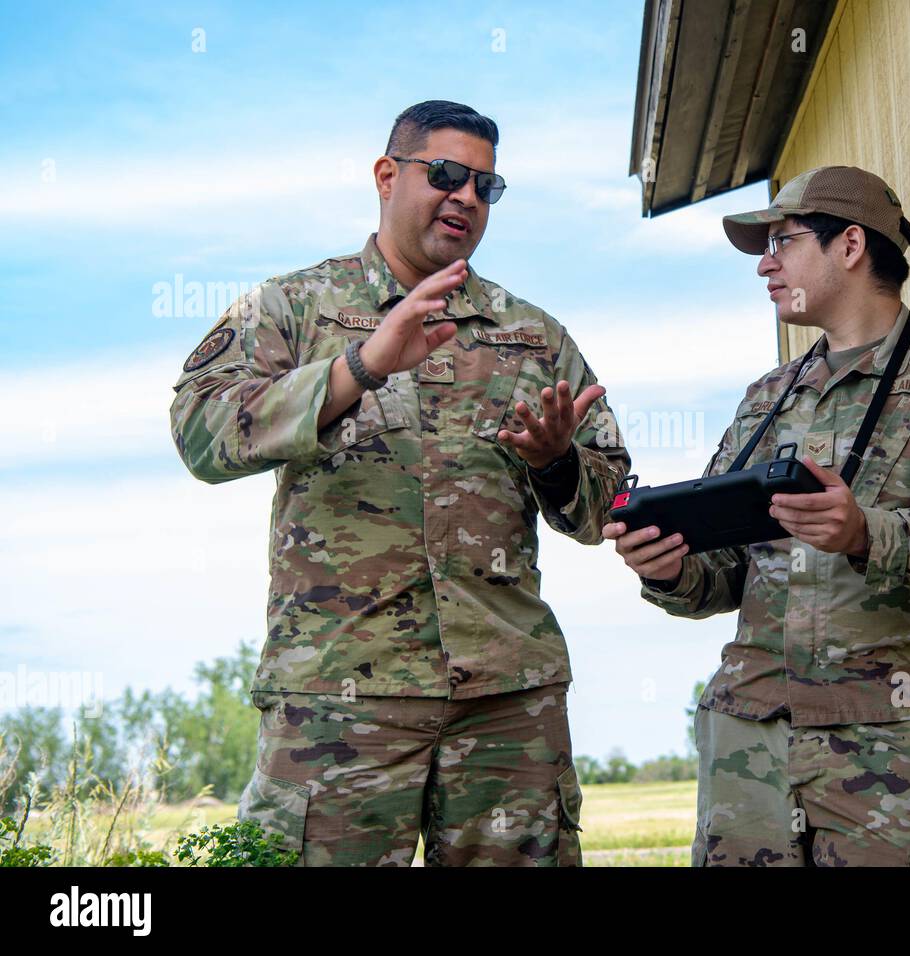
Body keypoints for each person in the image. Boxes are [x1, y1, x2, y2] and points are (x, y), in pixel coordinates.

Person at [170, 99, 628, 866]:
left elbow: (607, 505)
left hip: (504, 704)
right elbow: (199, 432)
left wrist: (555, 464)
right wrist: (360, 367)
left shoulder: (535, 335)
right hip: (340, 700)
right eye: (446, 174)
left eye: (487, 185)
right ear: (387, 176)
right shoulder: (291, 307)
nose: (466, 198)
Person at [603, 165, 910, 866]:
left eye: (783, 241)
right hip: (751, 740)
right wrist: (670, 568)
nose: (765, 265)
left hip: (895, 748)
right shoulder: (766, 396)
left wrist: (869, 533)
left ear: (852, 246)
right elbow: (724, 574)